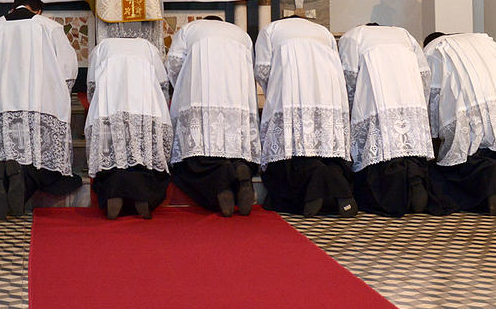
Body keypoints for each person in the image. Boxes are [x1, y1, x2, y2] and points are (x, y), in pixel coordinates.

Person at [0, 0, 81, 219]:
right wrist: (59, 95)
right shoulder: (50, 28)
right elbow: (68, 69)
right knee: (41, 162)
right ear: (39, 11)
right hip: (39, 103)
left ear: (12, 8)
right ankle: (19, 175)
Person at [254, 14, 355, 217]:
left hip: (290, 95)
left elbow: (262, 70)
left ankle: (313, 192)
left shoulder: (271, 30)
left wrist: (273, 90)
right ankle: (341, 190)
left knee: (293, 151)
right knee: (326, 151)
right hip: (328, 97)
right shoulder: (323, 32)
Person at [423, 32, 496, 216]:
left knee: (459, 159)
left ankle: (491, 191)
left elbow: (430, 99)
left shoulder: (434, 49)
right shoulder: (485, 41)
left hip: (469, 108)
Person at [338, 23, 441, 217]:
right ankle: (415, 182)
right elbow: (424, 74)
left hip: (375, 100)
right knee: (409, 148)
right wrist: (420, 103)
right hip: (411, 98)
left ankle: (394, 195)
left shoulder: (355, 36)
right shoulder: (404, 34)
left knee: (381, 151)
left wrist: (350, 106)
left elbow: (348, 75)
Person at [166, 17, 261, 216]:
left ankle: (220, 185)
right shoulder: (241, 34)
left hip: (200, 97)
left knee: (196, 155)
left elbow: (174, 65)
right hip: (236, 100)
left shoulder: (190, 29)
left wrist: (182, 88)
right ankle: (240, 168)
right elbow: (251, 68)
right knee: (234, 147)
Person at [84, 37, 173, 219]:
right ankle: (142, 194)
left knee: (111, 155)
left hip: (111, 106)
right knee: (142, 154)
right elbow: (162, 83)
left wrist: (97, 104)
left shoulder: (103, 47)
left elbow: (92, 84)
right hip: (144, 107)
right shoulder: (148, 47)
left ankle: (114, 192)